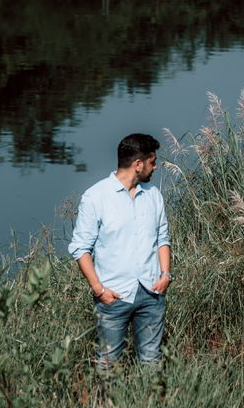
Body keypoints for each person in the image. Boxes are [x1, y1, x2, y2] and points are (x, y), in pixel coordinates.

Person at [67, 133, 172, 368]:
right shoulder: (95, 197)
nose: (155, 167)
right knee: (108, 363)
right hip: (113, 296)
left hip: (152, 293)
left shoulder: (154, 196)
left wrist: (165, 275)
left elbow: (162, 239)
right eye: (152, 162)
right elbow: (80, 248)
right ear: (138, 164)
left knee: (151, 361)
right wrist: (98, 289)